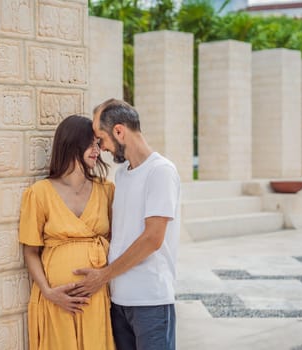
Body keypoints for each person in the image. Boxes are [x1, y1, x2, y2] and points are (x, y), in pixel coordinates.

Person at [71, 99, 181, 350]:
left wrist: (102, 276)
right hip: (119, 301)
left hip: (150, 301)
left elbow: (152, 238)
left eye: (101, 139)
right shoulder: (122, 175)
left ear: (119, 131)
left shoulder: (160, 171)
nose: (102, 148)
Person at [18, 115, 116, 350]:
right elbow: (30, 251)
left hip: (95, 297)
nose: (97, 150)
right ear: (72, 143)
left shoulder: (106, 190)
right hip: (57, 300)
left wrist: (103, 277)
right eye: (91, 144)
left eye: (98, 144)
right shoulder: (39, 192)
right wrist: (49, 292)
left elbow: (116, 240)